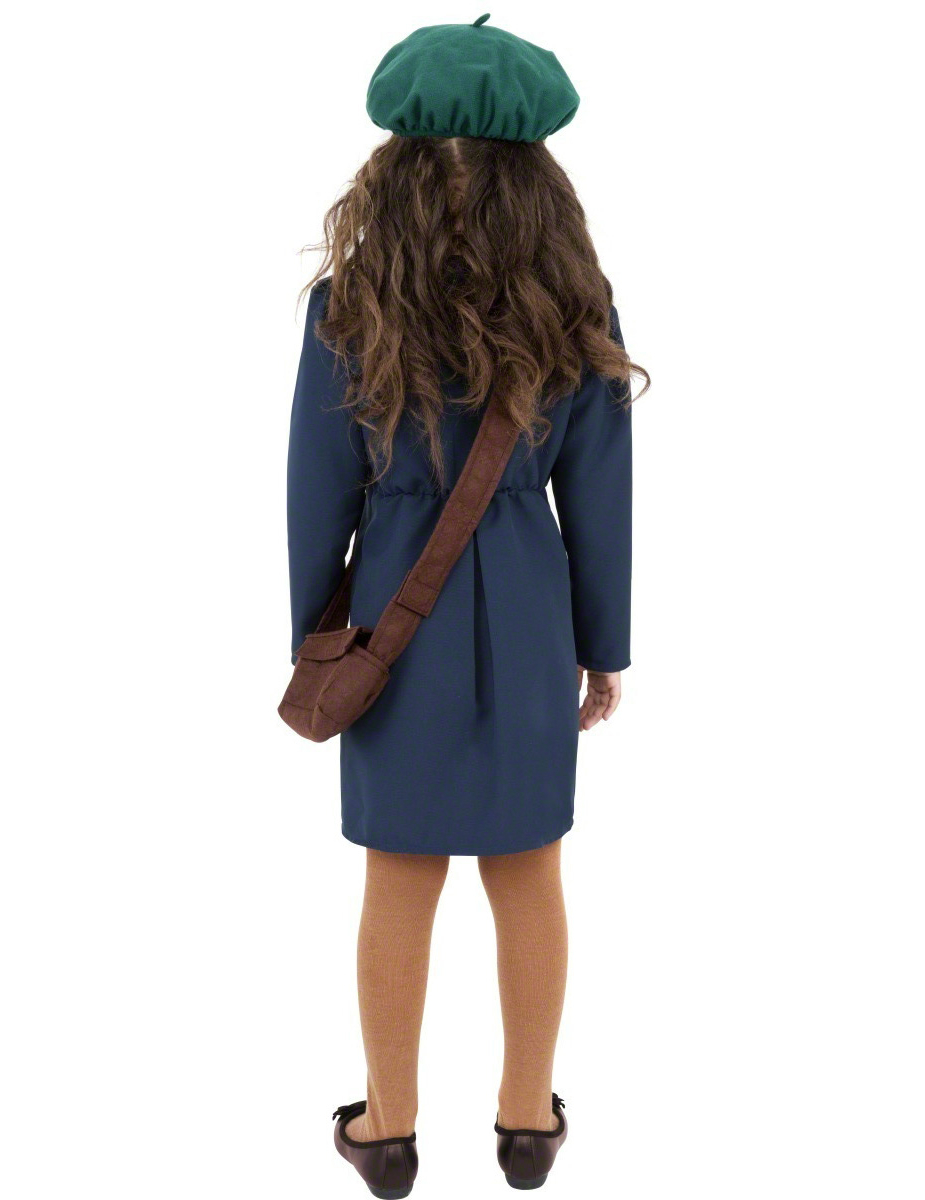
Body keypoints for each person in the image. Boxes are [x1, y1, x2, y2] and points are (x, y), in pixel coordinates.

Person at [285, 16, 647, 1196]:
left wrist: (317, 637)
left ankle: (387, 1131)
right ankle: (527, 1124)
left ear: (391, 164)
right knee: (528, 868)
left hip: (394, 611)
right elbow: (601, 492)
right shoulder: (574, 299)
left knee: (400, 872)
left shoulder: (347, 304)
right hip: (532, 605)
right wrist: (602, 645)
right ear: (536, 174)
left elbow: (314, 488)